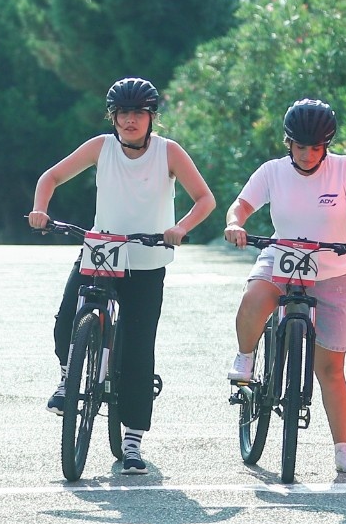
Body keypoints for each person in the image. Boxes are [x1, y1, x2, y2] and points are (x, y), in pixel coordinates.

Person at [28, 77, 215, 475]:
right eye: (123, 113)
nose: (130, 121)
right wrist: (40, 209)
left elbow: (205, 199)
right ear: (112, 117)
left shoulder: (169, 152)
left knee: (137, 352)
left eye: (138, 114)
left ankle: (132, 440)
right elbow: (50, 178)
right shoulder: (101, 147)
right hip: (101, 251)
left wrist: (179, 228)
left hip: (147, 259)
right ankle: (67, 378)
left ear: (151, 118)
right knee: (66, 320)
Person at [223, 99, 346, 476]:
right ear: (288, 143)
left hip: (331, 269)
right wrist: (235, 224)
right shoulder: (272, 171)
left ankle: (342, 449)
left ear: (326, 145)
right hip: (281, 258)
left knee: (331, 368)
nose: (307, 155)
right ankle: (245, 356)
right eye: (300, 146)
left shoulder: (345, 169)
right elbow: (240, 206)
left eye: (315, 147)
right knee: (254, 296)